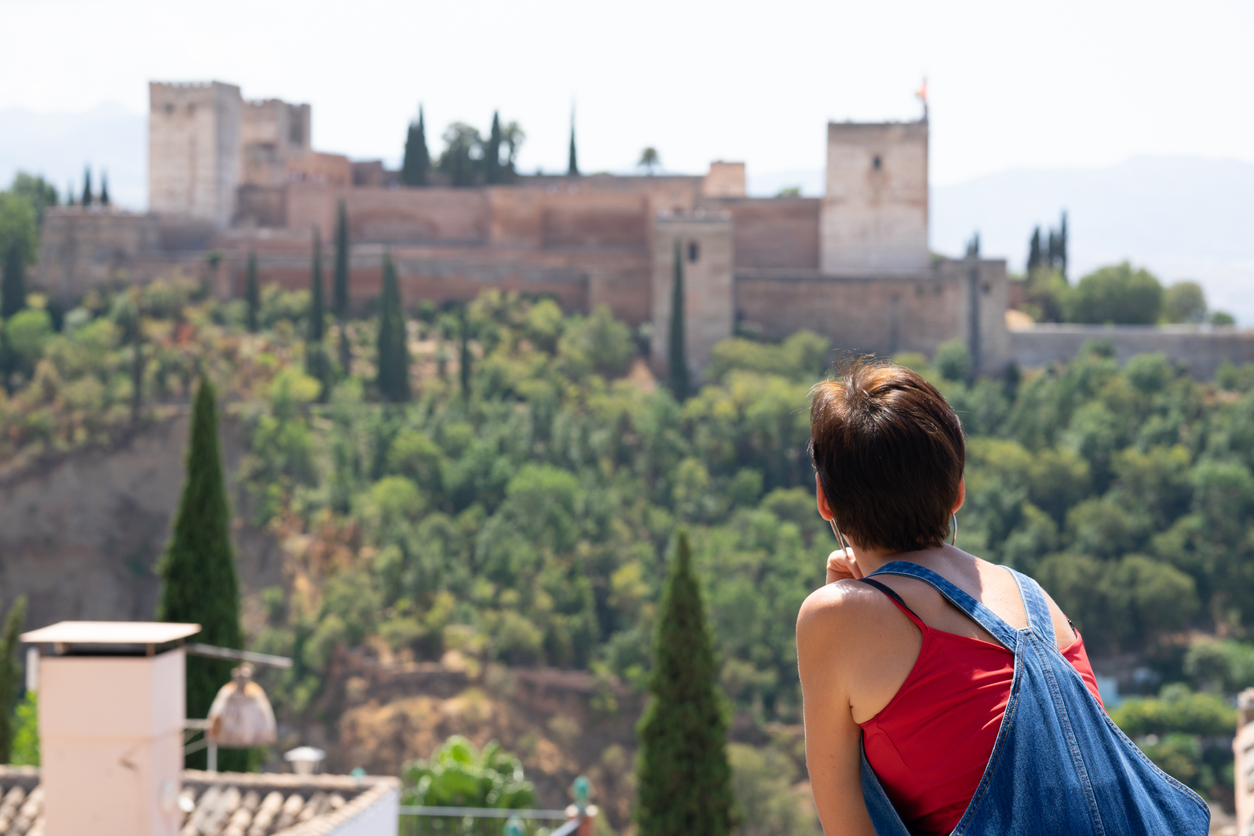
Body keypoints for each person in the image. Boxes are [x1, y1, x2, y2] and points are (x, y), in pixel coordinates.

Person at [796, 359, 1208, 836]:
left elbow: (846, 825)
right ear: (957, 493)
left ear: (825, 499)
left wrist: (843, 599)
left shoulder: (836, 617)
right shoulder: (1036, 600)